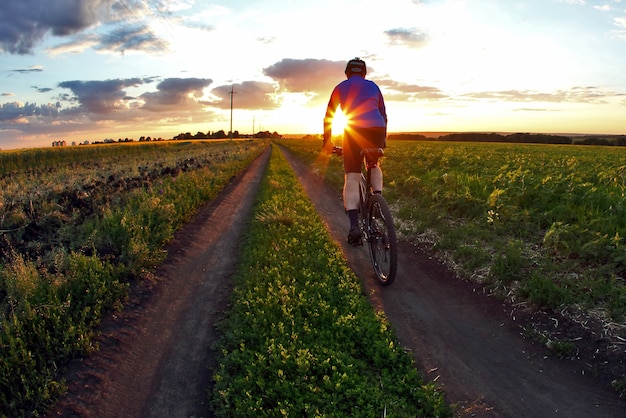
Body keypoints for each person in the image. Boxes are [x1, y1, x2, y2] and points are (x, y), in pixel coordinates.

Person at [323, 57, 388, 245]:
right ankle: (377, 199)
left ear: (347, 73)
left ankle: (354, 227)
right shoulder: (374, 87)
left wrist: (328, 141)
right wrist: (382, 140)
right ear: (364, 73)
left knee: (352, 176)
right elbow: (383, 114)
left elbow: (329, 116)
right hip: (377, 129)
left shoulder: (340, 87)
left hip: (353, 130)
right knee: (374, 163)